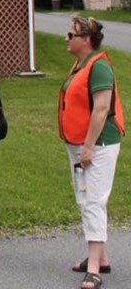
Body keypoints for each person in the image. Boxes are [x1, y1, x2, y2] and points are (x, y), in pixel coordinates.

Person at [59, 16, 124, 289]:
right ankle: (101, 258)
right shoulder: (80, 65)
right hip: (82, 145)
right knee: (87, 200)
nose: (66, 38)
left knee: (94, 201)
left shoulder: (100, 68)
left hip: (98, 146)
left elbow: (101, 110)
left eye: (71, 34)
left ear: (86, 40)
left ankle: (95, 270)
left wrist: (87, 147)